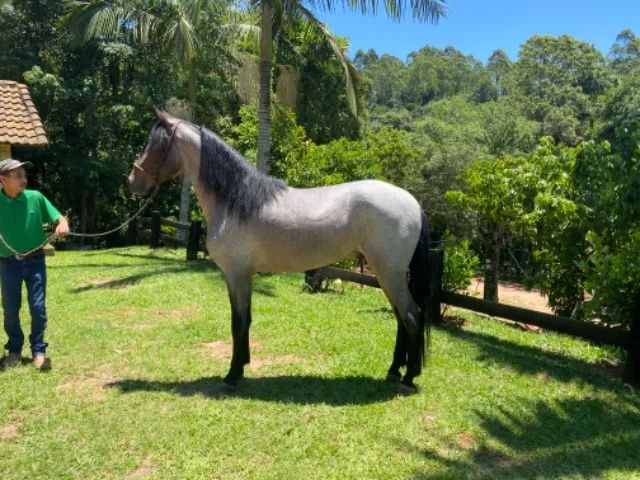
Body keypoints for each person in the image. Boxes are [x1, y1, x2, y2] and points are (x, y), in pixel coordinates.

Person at [0, 158, 68, 370]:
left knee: (38, 307)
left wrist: (62, 226)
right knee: (11, 309)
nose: (24, 179)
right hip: (8, 264)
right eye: (18, 175)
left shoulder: (35, 197)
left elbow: (59, 219)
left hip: (35, 261)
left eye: (24, 174)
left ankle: (38, 350)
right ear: (3, 179)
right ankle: (14, 350)